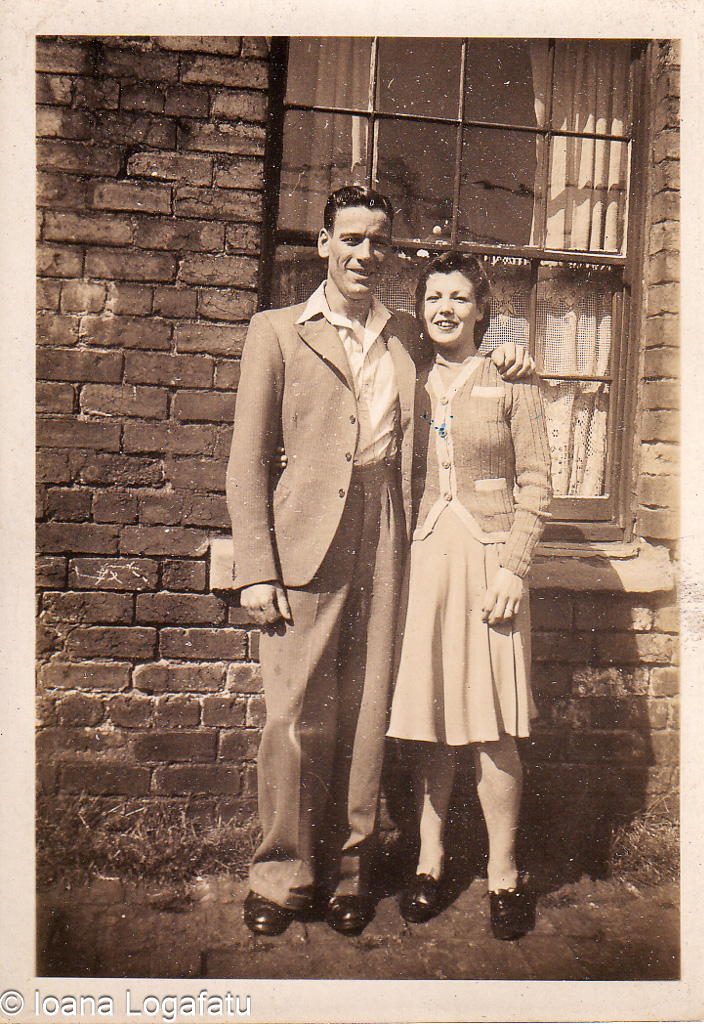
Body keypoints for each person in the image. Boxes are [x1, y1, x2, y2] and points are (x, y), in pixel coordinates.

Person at [226, 186, 533, 938]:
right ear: (324, 244)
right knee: (294, 714)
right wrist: (255, 567)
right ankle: (281, 875)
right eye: (352, 239)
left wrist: (513, 346)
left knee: (370, 711)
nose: (366, 254)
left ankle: (353, 876)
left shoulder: (403, 331)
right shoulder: (276, 331)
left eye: (378, 243)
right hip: (304, 536)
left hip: (390, 528)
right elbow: (245, 463)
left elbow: (468, 343)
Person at [386, 251, 552, 940]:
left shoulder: (512, 378)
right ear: (420, 308)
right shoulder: (409, 379)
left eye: (459, 297)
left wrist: (514, 568)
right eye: (433, 297)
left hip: (489, 566)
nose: (445, 308)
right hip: (426, 560)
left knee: (491, 731)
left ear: (482, 309)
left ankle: (504, 874)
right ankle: (427, 863)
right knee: (430, 725)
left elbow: (538, 484)